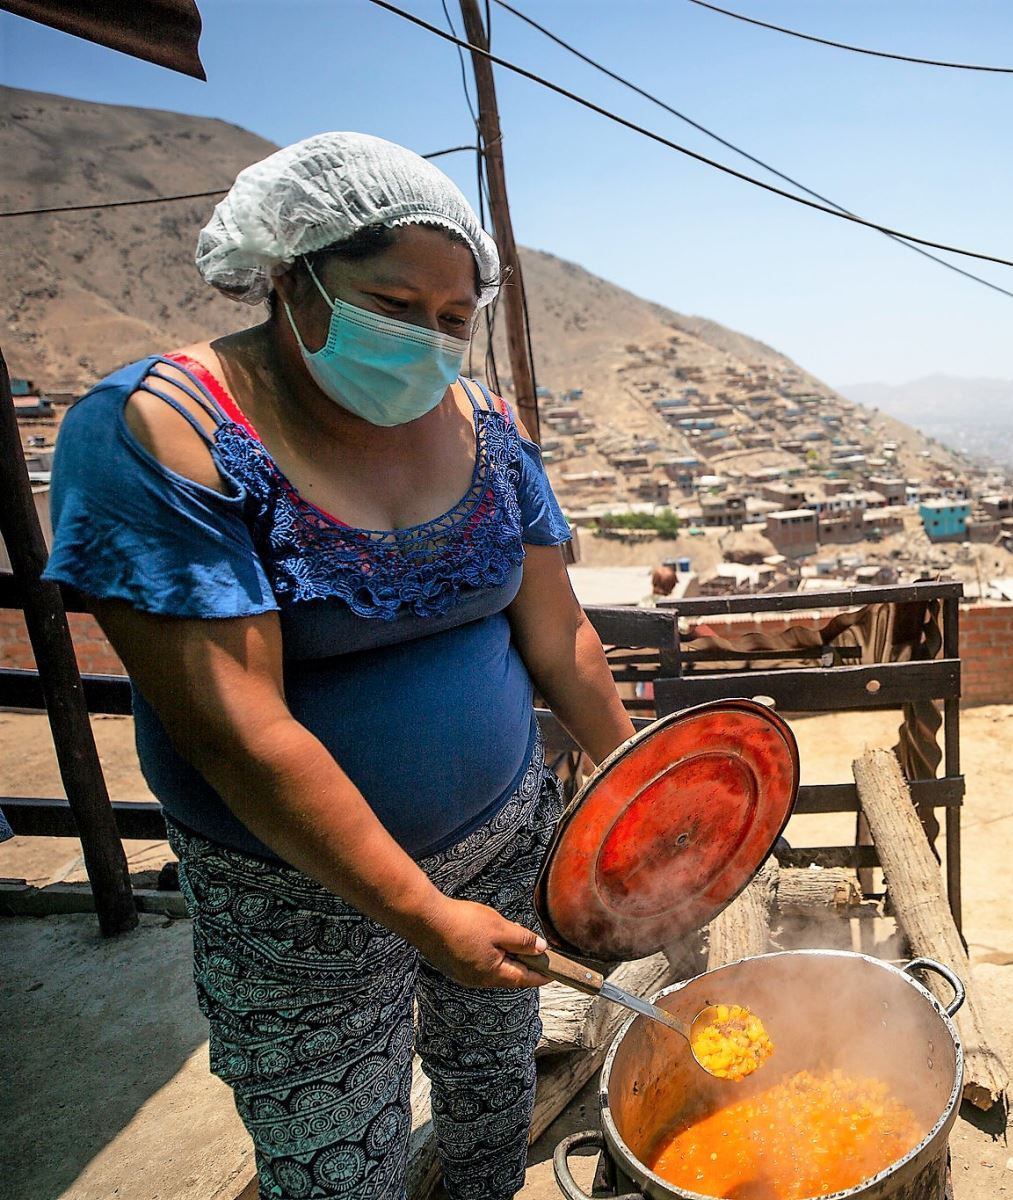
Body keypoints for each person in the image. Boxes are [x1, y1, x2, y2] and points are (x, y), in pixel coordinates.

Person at [44, 133, 638, 1197]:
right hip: (296, 900)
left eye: (453, 318)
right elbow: (239, 731)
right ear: (291, 275)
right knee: (334, 1159)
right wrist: (418, 911)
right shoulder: (161, 432)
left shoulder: (486, 425)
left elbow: (560, 637)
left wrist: (645, 790)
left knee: (493, 1090)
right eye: (391, 303)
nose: (425, 337)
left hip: (503, 841)